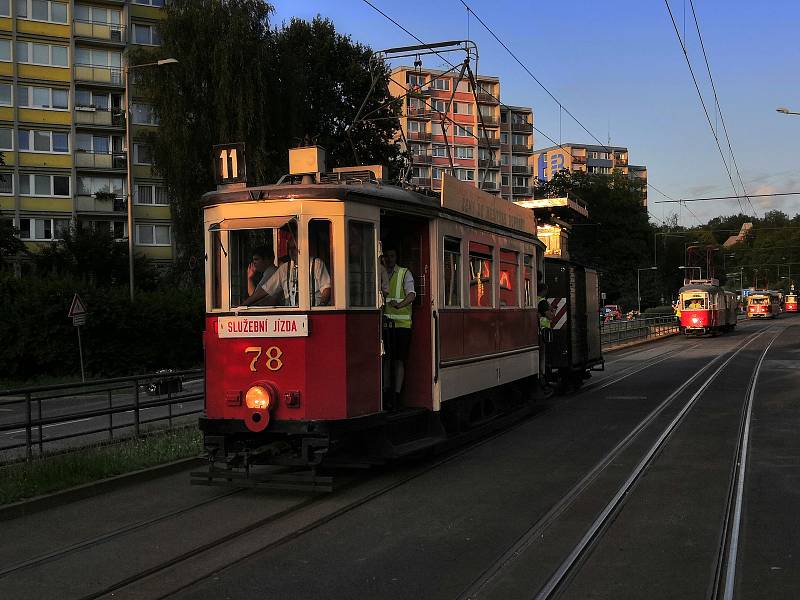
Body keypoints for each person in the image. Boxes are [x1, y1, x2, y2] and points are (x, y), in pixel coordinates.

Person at [243, 231, 331, 307]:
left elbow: (326, 288)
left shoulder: (316, 264)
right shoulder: (284, 268)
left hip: (313, 313)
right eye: (289, 248)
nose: (291, 251)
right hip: (291, 315)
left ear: (303, 248)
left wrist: (321, 306)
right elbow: (265, 290)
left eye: (294, 248)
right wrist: (244, 305)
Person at [381, 245, 415, 410]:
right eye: (386, 256)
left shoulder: (404, 273)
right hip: (386, 325)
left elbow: (412, 294)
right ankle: (387, 393)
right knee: (387, 359)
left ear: (396, 258)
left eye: (392, 256)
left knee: (399, 360)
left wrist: (400, 305)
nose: (389, 259)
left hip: (402, 325)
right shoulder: (380, 272)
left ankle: (397, 394)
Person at [537, 282, 555, 394]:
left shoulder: (533, 298)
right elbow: (550, 316)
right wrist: (552, 311)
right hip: (543, 332)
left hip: (538, 331)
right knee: (543, 358)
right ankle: (543, 378)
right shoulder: (542, 302)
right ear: (543, 290)